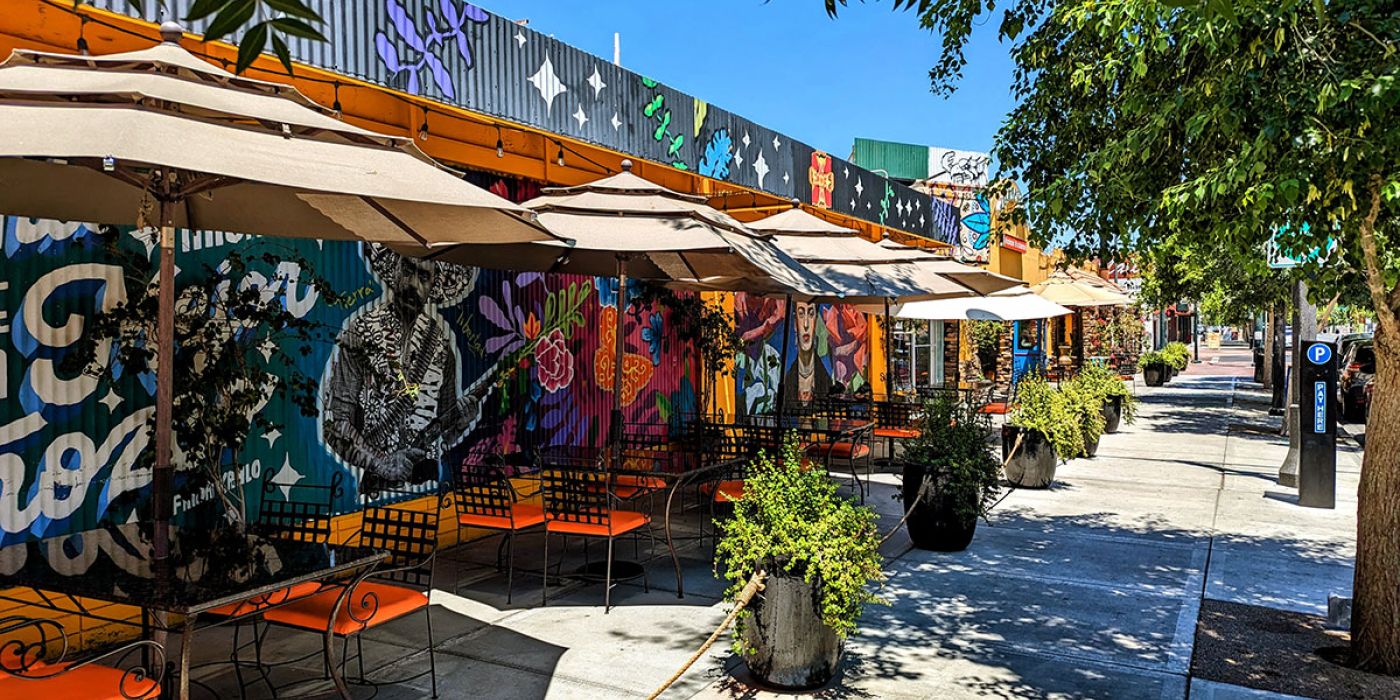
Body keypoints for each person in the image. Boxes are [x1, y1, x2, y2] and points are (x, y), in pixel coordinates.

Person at [323, 246, 486, 496]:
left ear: (433, 285)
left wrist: (462, 422)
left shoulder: (441, 348)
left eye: (424, 277)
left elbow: (444, 431)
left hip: (427, 489)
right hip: (377, 490)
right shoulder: (361, 333)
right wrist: (382, 464)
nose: (412, 284)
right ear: (394, 269)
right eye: (408, 270)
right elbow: (337, 425)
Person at [782, 300, 831, 404]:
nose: (806, 324)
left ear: (816, 321)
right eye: (801, 314)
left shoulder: (826, 379)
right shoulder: (788, 380)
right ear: (795, 323)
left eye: (811, 314)